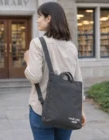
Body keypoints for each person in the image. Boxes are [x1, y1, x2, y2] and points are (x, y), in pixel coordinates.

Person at [24, 2, 86, 140]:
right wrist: (80, 110)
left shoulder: (37, 43)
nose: (37, 20)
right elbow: (77, 80)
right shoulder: (71, 46)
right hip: (67, 110)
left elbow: (34, 77)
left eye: (40, 16)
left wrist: (28, 60)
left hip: (42, 110)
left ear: (49, 18)